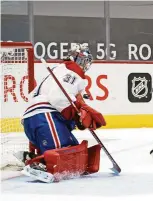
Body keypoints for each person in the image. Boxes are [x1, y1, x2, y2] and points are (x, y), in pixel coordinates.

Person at [19, 43, 106, 182]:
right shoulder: (73, 71)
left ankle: (33, 156)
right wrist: (76, 115)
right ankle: (38, 164)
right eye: (84, 61)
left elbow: (38, 96)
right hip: (45, 118)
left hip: (34, 120)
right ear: (78, 60)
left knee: (73, 148)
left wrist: (78, 114)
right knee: (63, 154)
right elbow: (58, 98)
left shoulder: (59, 70)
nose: (85, 66)